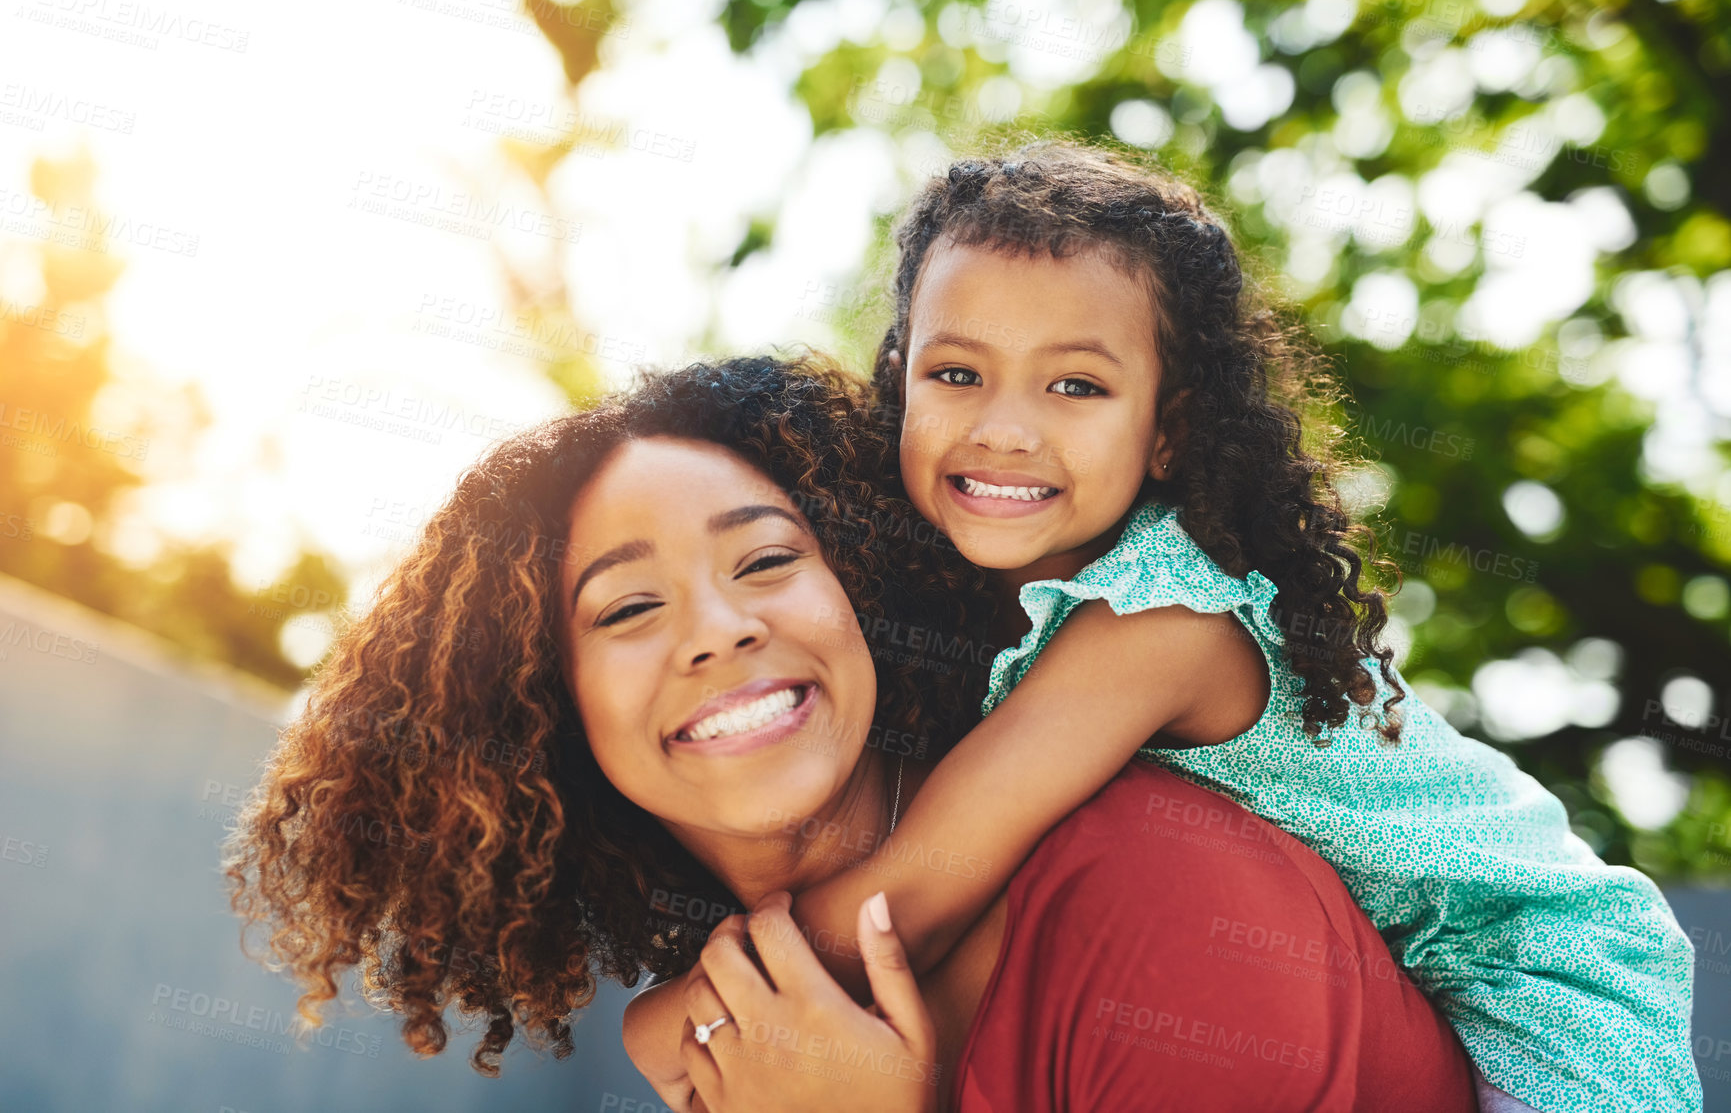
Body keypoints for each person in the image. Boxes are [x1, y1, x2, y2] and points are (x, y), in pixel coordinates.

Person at [628, 146, 1701, 1113]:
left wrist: (666, 1021)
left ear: (1167, 433)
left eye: (1076, 386)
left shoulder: (1162, 618)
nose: (1004, 428)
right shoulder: (978, 602)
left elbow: (922, 890)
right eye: (956, 374)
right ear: (899, 381)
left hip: (1535, 979)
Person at [224, 357, 1477, 1111]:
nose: (716, 632)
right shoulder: (744, 1038)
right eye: (630, 608)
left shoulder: (1160, 900)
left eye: (767, 559)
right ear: (543, 714)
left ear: (866, 590)